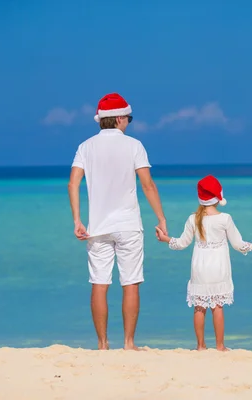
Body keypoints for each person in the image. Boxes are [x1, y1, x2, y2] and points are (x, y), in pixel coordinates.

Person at [67, 92, 168, 351]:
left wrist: (77, 219)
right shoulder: (134, 146)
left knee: (99, 284)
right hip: (128, 225)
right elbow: (147, 185)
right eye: (129, 118)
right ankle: (129, 343)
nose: (129, 122)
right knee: (130, 282)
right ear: (120, 118)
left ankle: (102, 344)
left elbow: (73, 183)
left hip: (97, 226)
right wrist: (161, 218)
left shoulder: (85, 146)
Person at [155, 175, 252, 351]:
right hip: (219, 268)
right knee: (217, 306)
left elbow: (181, 243)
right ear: (218, 197)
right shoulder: (225, 219)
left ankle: (200, 346)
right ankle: (220, 346)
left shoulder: (193, 218)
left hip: (199, 268)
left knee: (199, 307)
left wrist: (165, 239)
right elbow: (238, 244)